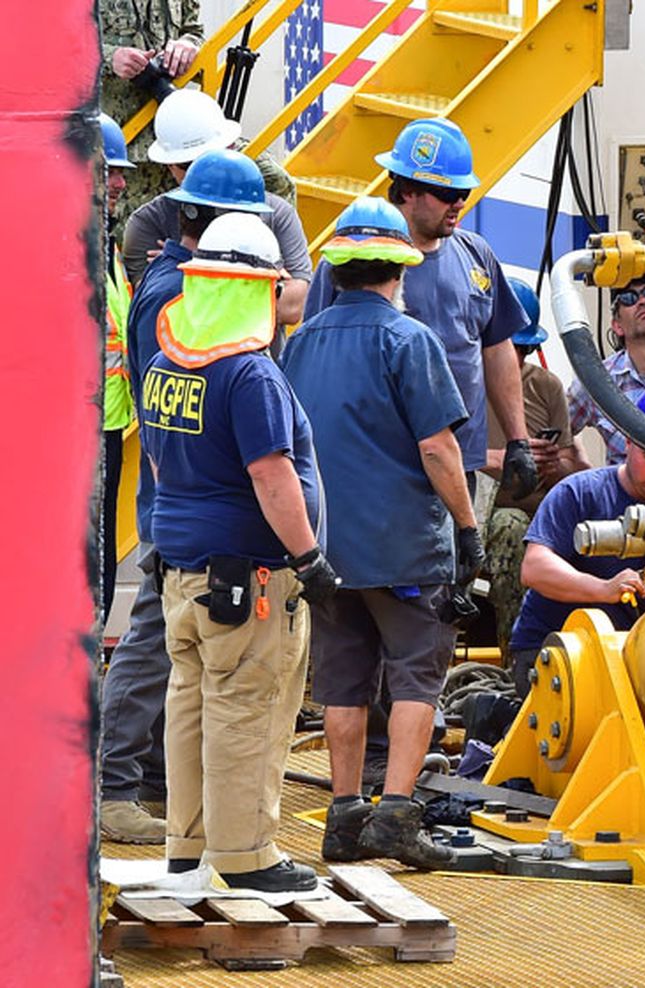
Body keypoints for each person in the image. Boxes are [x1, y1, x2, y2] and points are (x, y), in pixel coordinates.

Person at [139, 212, 338, 892]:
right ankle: (246, 856)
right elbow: (270, 473)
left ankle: (188, 845)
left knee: (191, 708)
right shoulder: (248, 373)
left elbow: (166, 464)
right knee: (246, 710)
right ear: (260, 289)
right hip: (247, 580)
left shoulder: (169, 363)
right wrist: (309, 558)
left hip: (183, 574)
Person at [282, 198, 481, 869]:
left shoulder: (300, 344)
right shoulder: (409, 340)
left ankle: (343, 816)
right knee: (416, 678)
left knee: (342, 682)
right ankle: (396, 813)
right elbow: (438, 448)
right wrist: (468, 528)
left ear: (336, 269)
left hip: (328, 550)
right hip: (405, 549)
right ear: (399, 268)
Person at [98, 148, 272, 845]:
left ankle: (154, 782)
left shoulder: (168, 279)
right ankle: (113, 782)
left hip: (184, 486)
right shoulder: (174, 291)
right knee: (153, 630)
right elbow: (176, 394)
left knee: (176, 633)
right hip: (183, 487)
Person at [305, 118, 536, 501]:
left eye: (464, 191)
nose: (460, 203)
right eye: (449, 193)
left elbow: (496, 349)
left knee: (458, 559)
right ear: (408, 191)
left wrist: (518, 441)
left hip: (458, 466)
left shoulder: (475, 254)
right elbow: (315, 355)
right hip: (372, 469)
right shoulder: (347, 262)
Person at [509, 383, 645, 687]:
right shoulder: (578, 492)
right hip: (549, 656)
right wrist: (604, 589)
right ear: (627, 441)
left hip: (625, 662)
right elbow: (535, 568)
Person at [122, 90, 307, 338]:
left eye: (206, 158)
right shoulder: (147, 223)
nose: (199, 172)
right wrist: (262, 281)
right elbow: (161, 307)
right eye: (187, 165)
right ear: (169, 165)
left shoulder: (276, 212)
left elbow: (295, 306)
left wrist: (187, 265)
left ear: (230, 147)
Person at [483, 277, 589, 648]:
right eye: (512, 348)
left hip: (539, 511)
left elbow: (571, 465)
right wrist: (500, 459)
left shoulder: (546, 386)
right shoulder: (459, 385)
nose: (517, 359)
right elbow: (438, 452)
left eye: (525, 351)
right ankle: (518, 651)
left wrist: (554, 464)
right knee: (509, 528)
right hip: (481, 512)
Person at [568, 272, 645, 465]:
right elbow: (558, 431)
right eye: (629, 298)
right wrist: (581, 467)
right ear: (617, 326)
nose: (643, 301)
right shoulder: (597, 380)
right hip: (625, 494)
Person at [98, 0, 202, 218]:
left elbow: (194, 31)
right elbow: (55, 42)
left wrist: (188, 45)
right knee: (134, 246)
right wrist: (109, 57)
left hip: (177, 144)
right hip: (117, 152)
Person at [99, 113, 136, 623]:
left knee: (100, 555)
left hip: (107, 424)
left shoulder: (107, 245)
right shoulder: (59, 247)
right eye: (109, 171)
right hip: (69, 435)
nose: (121, 182)